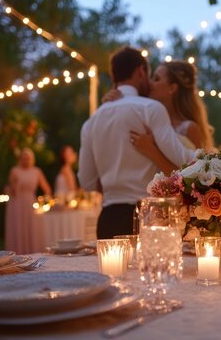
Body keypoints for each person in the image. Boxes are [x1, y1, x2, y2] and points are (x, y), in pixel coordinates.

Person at [78, 46, 194, 239]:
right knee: (155, 270)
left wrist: (114, 184)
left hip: (108, 219)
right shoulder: (150, 109)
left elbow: (87, 182)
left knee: (110, 271)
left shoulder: (92, 121)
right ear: (141, 71)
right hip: (149, 216)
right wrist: (216, 162)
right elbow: (182, 158)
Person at [105, 60, 214, 174]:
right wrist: (112, 100)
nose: (150, 83)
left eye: (156, 79)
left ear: (172, 88)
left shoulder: (189, 128)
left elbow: (193, 176)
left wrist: (152, 150)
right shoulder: (147, 117)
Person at [5, 148, 52, 254]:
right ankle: (18, 252)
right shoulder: (15, 171)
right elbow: (11, 190)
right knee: (19, 227)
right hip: (17, 203)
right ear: (20, 159)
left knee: (31, 228)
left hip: (31, 202)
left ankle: (32, 252)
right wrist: (15, 184)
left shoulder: (37, 171)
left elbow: (47, 189)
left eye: (28, 158)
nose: (26, 160)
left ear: (32, 159)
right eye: (24, 158)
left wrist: (44, 203)